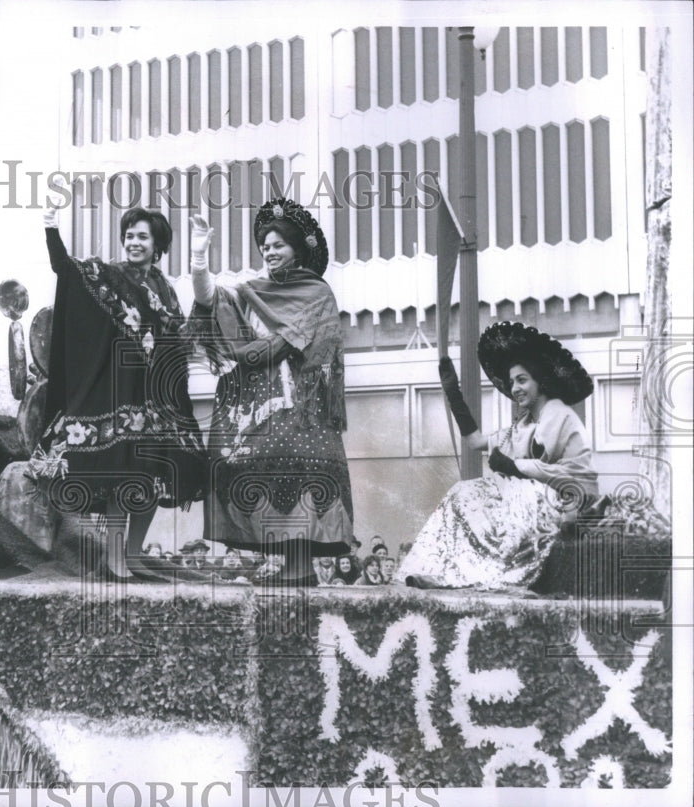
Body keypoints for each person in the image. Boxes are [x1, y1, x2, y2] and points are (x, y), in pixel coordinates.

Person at [186, 199, 354, 585]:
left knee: (298, 476)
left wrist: (250, 355)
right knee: (258, 472)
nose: (270, 252)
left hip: (304, 409)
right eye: (265, 247)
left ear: (296, 249)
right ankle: (293, 568)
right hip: (260, 407)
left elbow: (295, 344)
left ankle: (300, 570)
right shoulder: (252, 293)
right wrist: (199, 257)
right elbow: (211, 300)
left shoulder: (316, 293)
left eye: (278, 245)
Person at [38, 201, 207, 581]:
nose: (134, 242)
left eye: (142, 237)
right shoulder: (109, 276)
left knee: (150, 479)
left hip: (157, 400)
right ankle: (115, 560)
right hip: (120, 396)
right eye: (129, 235)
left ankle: (133, 556)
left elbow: (175, 339)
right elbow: (65, 269)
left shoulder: (165, 289)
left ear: (157, 245)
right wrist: (51, 229)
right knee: (124, 478)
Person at [396, 321, 597, 589]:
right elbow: (475, 440)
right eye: (512, 381)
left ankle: (488, 578)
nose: (514, 388)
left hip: (567, 503)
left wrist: (514, 466)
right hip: (530, 499)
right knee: (464, 492)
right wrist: (453, 393)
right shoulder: (523, 424)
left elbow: (569, 475)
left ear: (541, 381)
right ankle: (441, 571)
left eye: (522, 380)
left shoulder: (558, 413)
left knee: (519, 496)